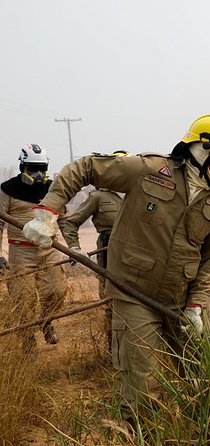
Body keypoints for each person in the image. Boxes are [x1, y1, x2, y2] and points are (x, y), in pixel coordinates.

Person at [22, 113, 210, 421]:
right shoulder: (149, 170)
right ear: (201, 151)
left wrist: (196, 305)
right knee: (144, 384)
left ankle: (204, 437)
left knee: (205, 372)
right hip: (134, 293)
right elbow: (85, 168)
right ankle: (139, 440)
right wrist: (47, 212)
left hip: (181, 300)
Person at [0, 143, 66, 352]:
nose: (38, 174)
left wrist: (75, 247)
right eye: (33, 168)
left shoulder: (53, 189)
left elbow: (65, 219)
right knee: (23, 298)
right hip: (21, 252)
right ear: (23, 167)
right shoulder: (7, 190)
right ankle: (27, 338)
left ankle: (46, 321)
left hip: (49, 249)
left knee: (57, 291)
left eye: (42, 169)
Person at [61, 150, 129, 353]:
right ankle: (113, 351)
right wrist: (75, 248)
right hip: (109, 251)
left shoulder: (137, 193)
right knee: (111, 300)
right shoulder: (98, 197)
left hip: (137, 251)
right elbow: (71, 222)